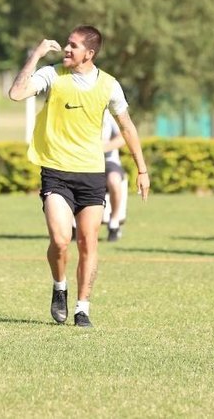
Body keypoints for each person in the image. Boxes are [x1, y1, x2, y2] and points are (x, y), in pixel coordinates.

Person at [8, 25, 149, 328]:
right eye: (67, 44)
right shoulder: (52, 74)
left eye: (73, 46)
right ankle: (60, 287)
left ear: (90, 53)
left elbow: (127, 128)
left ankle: (82, 307)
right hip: (56, 172)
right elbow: (17, 93)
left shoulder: (110, 85)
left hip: (91, 174)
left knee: (88, 243)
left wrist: (142, 169)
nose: (67, 50)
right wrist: (36, 54)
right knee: (60, 240)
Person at [102, 109, 127, 242]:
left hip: (108, 162)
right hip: (84, 161)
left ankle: (114, 222)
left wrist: (104, 148)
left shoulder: (108, 115)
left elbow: (123, 136)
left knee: (114, 180)